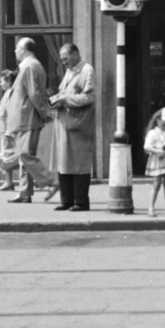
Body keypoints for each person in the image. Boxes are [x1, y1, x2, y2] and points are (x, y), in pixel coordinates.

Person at [5, 37, 54, 204]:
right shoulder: (31, 65)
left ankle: (52, 180)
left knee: (25, 155)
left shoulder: (29, 66)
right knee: (24, 157)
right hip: (25, 118)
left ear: (24, 50)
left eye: (17, 49)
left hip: (27, 118)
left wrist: (42, 112)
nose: (15, 51)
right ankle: (25, 192)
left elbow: (34, 94)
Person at [49, 42, 96, 212]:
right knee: (64, 162)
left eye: (65, 58)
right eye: (62, 59)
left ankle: (81, 202)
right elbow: (66, 92)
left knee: (79, 163)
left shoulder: (87, 71)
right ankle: (67, 200)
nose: (63, 62)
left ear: (75, 54)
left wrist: (66, 99)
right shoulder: (70, 71)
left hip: (78, 125)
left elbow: (89, 97)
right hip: (65, 124)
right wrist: (57, 98)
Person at [0, 68, 19, 191]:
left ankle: (31, 175)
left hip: (8, 130)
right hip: (3, 129)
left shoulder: (11, 94)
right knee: (6, 155)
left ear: (9, 81)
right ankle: (8, 182)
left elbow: (10, 112)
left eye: (2, 81)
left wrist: (9, 130)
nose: (0, 84)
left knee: (9, 156)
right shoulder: (7, 93)